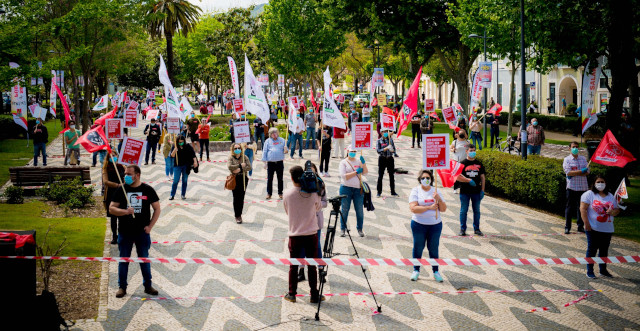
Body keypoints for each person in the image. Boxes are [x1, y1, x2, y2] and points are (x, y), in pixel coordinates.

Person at [109, 165, 160, 298]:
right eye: (125, 173)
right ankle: (122, 287)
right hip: (125, 232)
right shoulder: (121, 189)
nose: (125, 176)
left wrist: (150, 227)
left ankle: (148, 286)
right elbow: (111, 208)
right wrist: (125, 211)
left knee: (144, 259)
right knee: (123, 260)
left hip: (142, 233)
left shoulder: (147, 189)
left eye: (129, 174)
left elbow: (157, 209)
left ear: (137, 175)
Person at [282, 165, 323, 303]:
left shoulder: (287, 194)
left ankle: (292, 293)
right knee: (312, 265)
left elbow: (287, 211)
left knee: (293, 265)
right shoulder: (313, 193)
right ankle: (314, 294)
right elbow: (318, 207)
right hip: (311, 233)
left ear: (292, 178)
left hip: (295, 234)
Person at [409, 170, 447, 282]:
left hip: (435, 225)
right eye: (423, 178)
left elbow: (443, 209)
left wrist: (438, 199)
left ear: (431, 179)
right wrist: (428, 208)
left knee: (433, 248)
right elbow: (413, 208)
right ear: (420, 179)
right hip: (418, 224)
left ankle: (436, 271)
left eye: (428, 178)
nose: (426, 180)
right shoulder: (415, 190)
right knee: (418, 247)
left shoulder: (436, 191)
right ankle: (416, 270)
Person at [580, 175, 620, 279]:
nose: (600, 184)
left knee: (604, 250)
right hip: (593, 228)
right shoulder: (588, 194)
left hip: (607, 229)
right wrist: (586, 223)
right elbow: (583, 209)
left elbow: (617, 210)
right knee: (592, 249)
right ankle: (590, 271)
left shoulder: (611, 196)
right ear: (594, 183)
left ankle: (603, 270)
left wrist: (613, 212)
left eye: (602, 182)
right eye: (598, 182)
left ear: (606, 184)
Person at [297, 163, 327, 282]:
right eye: (308, 172)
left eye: (313, 172)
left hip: (316, 219)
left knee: (317, 246)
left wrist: (317, 206)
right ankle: (301, 270)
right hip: (303, 221)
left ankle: (320, 269)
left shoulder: (320, 184)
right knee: (302, 247)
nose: (311, 174)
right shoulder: (301, 184)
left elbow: (325, 202)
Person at [338, 145, 368, 237]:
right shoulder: (343, 162)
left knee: (359, 210)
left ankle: (360, 229)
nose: (353, 153)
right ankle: (343, 228)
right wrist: (356, 172)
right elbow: (344, 176)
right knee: (345, 210)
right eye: (351, 151)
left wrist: (364, 163)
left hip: (358, 189)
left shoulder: (359, 161)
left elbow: (365, 172)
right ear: (347, 151)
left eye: (355, 151)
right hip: (346, 188)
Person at [456, 145, 485, 236]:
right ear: (466, 151)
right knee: (463, 211)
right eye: (470, 150)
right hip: (465, 191)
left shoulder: (479, 164)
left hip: (476, 192)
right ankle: (462, 229)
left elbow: (483, 178)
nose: (472, 152)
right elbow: (457, 177)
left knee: (477, 211)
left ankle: (476, 229)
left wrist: (483, 190)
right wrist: (468, 180)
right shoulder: (462, 163)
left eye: (474, 150)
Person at [563, 142, 589, 234]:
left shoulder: (583, 159)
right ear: (569, 148)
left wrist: (576, 172)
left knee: (581, 208)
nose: (575, 148)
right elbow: (568, 172)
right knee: (569, 208)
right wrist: (581, 171)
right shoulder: (567, 160)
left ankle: (580, 226)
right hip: (572, 187)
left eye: (577, 147)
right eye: (573, 147)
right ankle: (567, 226)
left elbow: (587, 172)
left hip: (583, 187)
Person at [103, 153, 125, 244]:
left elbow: (127, 176)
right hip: (112, 193)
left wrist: (124, 183)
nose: (114, 157)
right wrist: (117, 185)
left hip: (122, 193)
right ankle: (114, 236)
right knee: (113, 217)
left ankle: (121, 234)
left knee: (122, 216)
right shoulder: (106, 168)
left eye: (115, 155)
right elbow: (105, 181)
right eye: (111, 156)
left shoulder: (122, 166)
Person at [228, 143, 252, 224]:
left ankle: (240, 215)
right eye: (235, 148)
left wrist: (240, 169)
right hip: (234, 179)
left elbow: (249, 167)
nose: (237, 149)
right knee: (236, 197)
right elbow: (230, 167)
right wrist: (240, 166)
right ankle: (237, 215)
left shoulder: (244, 157)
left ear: (241, 149)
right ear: (233, 149)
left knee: (241, 197)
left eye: (239, 148)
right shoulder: (231, 157)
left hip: (243, 178)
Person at [262, 128, 288, 200]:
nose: (274, 134)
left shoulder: (282, 140)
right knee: (270, 179)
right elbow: (264, 151)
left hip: (279, 162)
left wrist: (286, 150)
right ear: (270, 134)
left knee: (280, 178)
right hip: (270, 163)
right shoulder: (267, 141)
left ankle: (280, 193)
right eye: (273, 133)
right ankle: (269, 193)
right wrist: (264, 162)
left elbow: (286, 151)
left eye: (275, 132)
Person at [169, 135, 197, 200]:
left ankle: (183, 194)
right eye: (179, 142)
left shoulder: (187, 146)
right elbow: (172, 156)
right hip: (177, 166)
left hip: (186, 166)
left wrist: (195, 162)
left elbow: (193, 154)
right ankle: (172, 195)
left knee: (184, 180)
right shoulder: (175, 146)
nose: (180, 143)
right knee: (175, 180)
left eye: (182, 142)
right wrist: (174, 150)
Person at [376, 129, 399, 198]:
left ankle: (393, 191)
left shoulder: (390, 140)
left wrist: (392, 150)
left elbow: (394, 150)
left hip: (390, 159)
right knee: (380, 176)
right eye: (384, 132)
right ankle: (379, 192)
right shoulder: (379, 141)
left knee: (391, 175)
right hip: (382, 159)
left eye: (386, 132)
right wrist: (385, 148)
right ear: (381, 133)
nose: (385, 133)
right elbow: (378, 150)